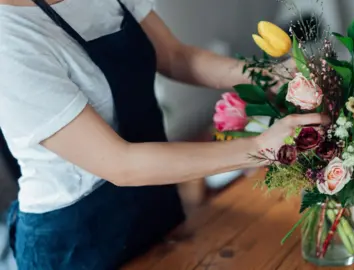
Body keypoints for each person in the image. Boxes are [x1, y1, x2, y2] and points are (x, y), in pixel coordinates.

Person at [0, 0, 330, 269]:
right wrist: (261, 147)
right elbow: (119, 163)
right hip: (76, 238)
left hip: (152, 200)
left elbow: (175, 56)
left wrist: (268, 76)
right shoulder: (9, 42)